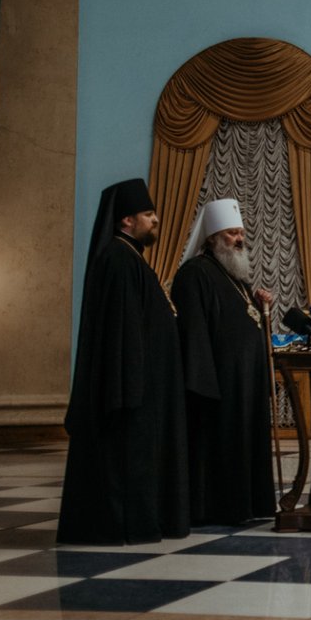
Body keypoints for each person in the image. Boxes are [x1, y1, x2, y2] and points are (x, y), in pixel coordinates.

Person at [58, 178, 190, 546]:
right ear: (126, 220)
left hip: (143, 387)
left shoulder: (130, 257)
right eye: (148, 214)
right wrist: (132, 388)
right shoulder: (118, 260)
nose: (156, 219)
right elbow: (123, 331)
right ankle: (130, 527)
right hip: (132, 390)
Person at [171, 198, 277, 527]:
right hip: (219, 382)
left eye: (241, 233)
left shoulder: (237, 278)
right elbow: (193, 332)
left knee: (246, 443)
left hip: (245, 380)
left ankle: (249, 505)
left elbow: (243, 322)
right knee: (221, 445)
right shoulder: (194, 273)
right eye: (232, 233)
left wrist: (263, 309)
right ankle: (218, 508)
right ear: (213, 237)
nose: (239, 239)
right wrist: (203, 382)